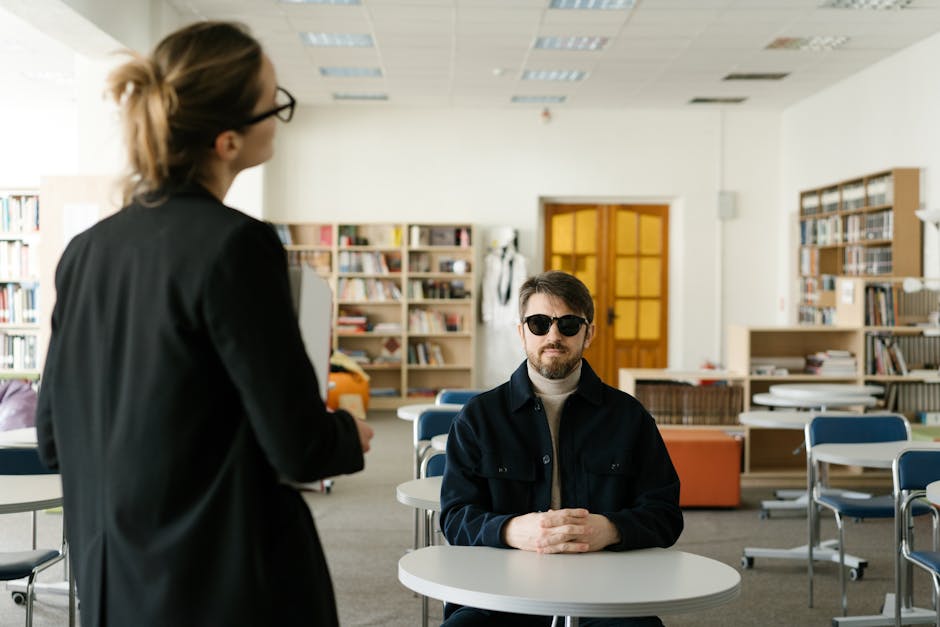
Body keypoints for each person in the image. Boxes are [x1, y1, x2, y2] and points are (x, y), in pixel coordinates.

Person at [35, 21, 373, 627]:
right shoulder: (236, 247)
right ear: (227, 141)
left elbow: (53, 438)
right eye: (275, 104)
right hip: (222, 582)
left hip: (114, 582)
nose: (278, 118)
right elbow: (298, 447)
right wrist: (348, 433)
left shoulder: (85, 251)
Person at [440, 270, 683, 626]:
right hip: (499, 596)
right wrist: (511, 530)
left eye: (568, 324)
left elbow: (665, 515)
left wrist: (610, 529)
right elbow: (455, 516)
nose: (553, 336)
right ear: (521, 332)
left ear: (589, 333)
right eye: (539, 323)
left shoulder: (630, 417)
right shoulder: (478, 417)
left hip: (607, 596)